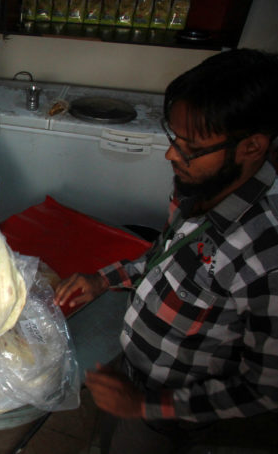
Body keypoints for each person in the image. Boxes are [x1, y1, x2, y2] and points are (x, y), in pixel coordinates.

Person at [54, 48, 278, 453]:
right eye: (175, 138)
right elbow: (165, 257)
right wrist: (102, 281)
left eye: (190, 147)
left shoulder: (266, 255)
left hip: (174, 418)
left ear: (251, 147)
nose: (171, 154)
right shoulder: (198, 188)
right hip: (135, 377)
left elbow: (265, 388)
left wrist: (144, 405)